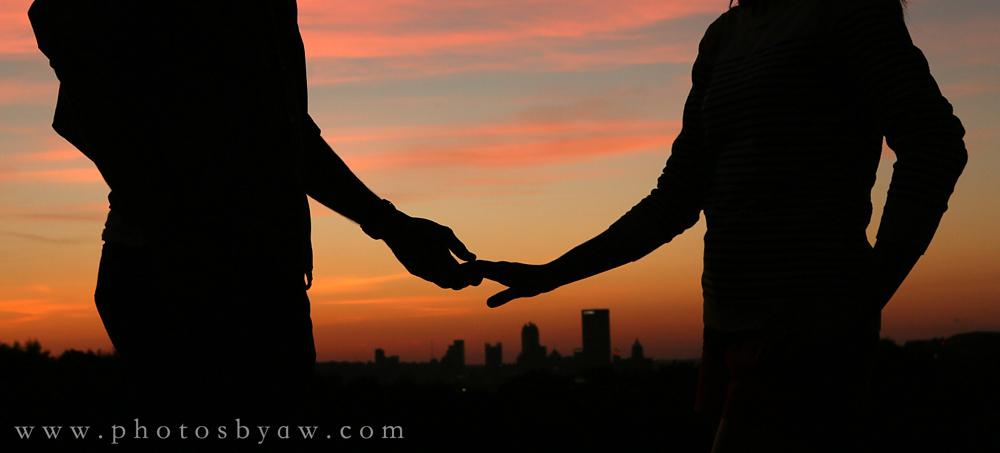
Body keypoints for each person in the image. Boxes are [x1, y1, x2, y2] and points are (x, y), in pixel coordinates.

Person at [469, 0, 967, 451]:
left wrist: (858, 304)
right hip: (725, 328)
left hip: (805, 332)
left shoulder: (847, 10)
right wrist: (551, 274)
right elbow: (678, 196)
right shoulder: (723, 36)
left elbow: (935, 143)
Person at [27, 0, 480, 412]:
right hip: (191, 281)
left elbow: (282, 135)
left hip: (252, 275)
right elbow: (70, 46)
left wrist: (390, 224)